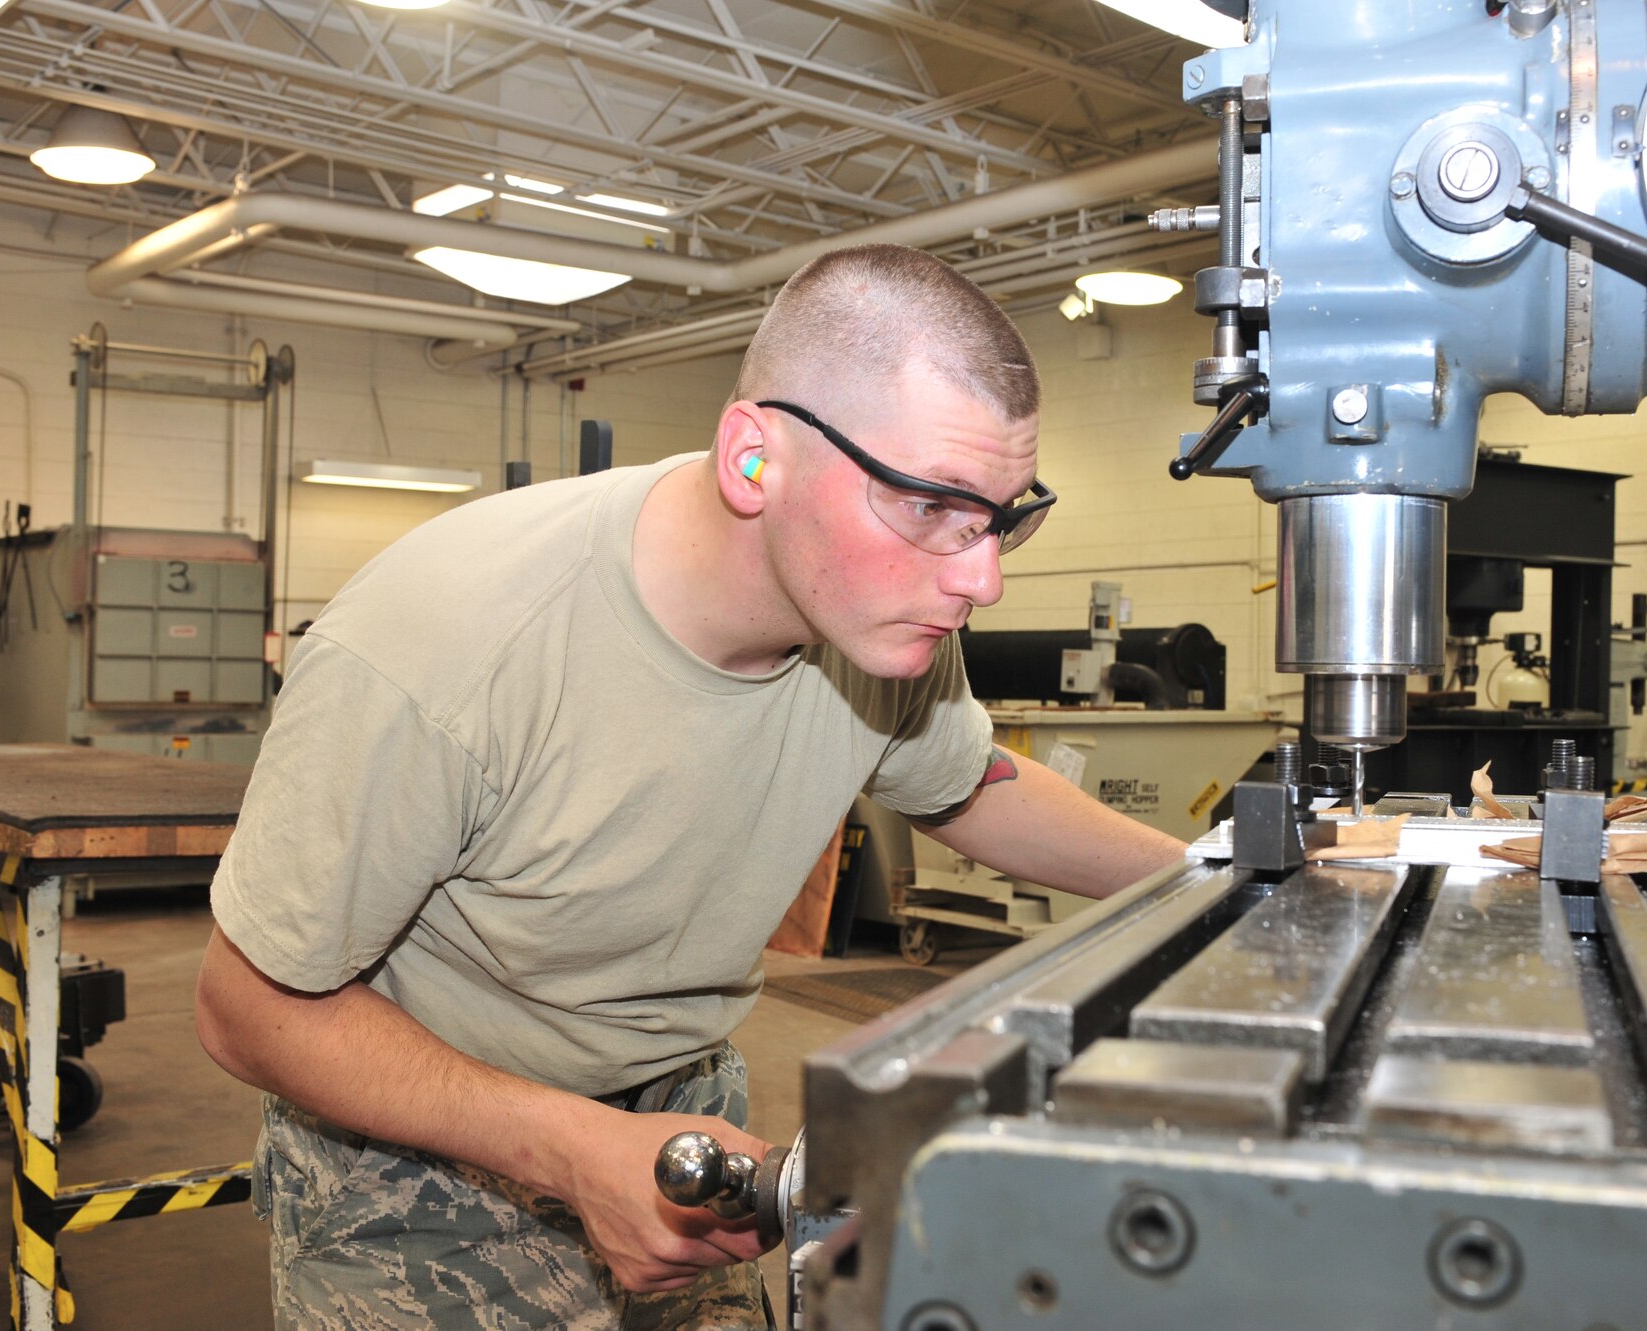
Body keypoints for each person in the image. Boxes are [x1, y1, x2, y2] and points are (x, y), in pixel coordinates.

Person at [195, 243, 1188, 1330]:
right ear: (753, 460)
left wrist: (1221, 881)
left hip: (681, 1129)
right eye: (927, 507)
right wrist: (575, 1151)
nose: (979, 578)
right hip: (421, 1163)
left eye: (999, 516)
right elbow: (249, 1008)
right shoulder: (443, 647)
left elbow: (965, 785)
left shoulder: (880, 620)